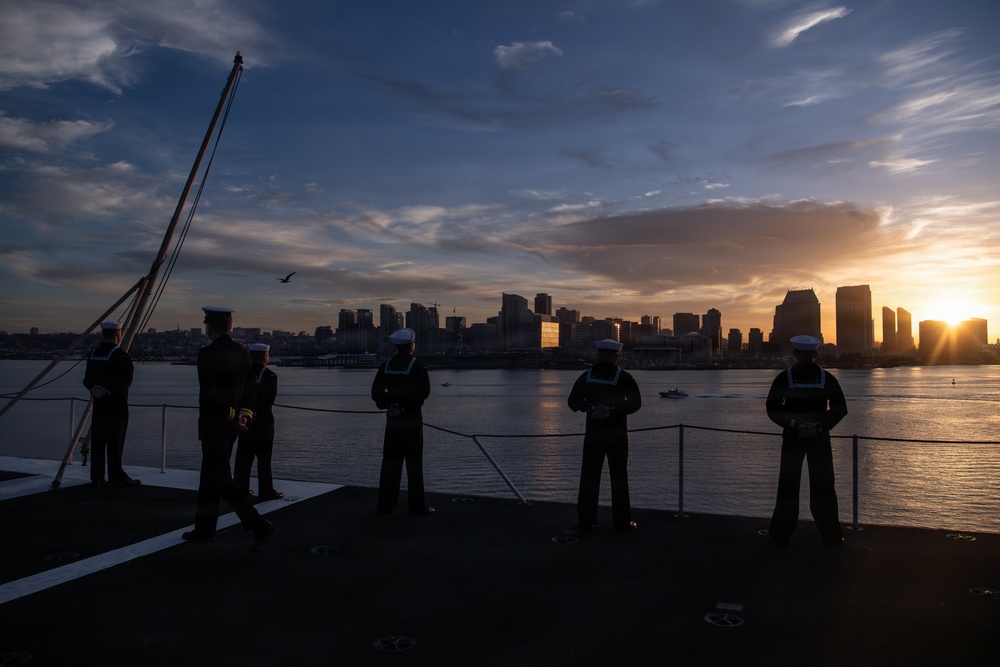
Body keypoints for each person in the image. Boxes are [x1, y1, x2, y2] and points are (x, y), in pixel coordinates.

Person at [182, 307, 274, 548]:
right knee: (209, 476)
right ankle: (204, 527)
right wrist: (244, 416)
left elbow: (209, 393)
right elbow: (250, 390)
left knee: (220, 478)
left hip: (215, 425)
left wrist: (230, 415)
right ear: (229, 326)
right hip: (234, 427)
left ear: (209, 326)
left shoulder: (207, 353)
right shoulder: (243, 353)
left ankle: (257, 524)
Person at [766, 335, 848, 548]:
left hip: (793, 438)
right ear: (815, 354)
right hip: (819, 439)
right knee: (824, 487)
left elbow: (773, 408)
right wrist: (819, 426)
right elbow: (840, 409)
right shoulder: (827, 379)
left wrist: (795, 424)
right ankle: (831, 535)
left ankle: (780, 533)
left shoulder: (784, 378)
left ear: (794, 354)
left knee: (788, 486)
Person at [567, 339, 642, 533]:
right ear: (617, 356)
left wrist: (590, 408)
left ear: (599, 355)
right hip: (617, 434)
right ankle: (622, 522)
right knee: (619, 477)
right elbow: (635, 404)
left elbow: (573, 402)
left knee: (589, 476)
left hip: (593, 434)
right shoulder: (624, 378)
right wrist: (612, 411)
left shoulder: (586, 376)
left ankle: (586, 520)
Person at [370, 328, 433, 517]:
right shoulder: (418, 366)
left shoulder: (386, 366)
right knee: (414, 466)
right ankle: (417, 508)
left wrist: (389, 404)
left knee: (390, 463)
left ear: (397, 346)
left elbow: (376, 393)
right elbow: (423, 393)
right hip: (411, 421)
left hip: (393, 422)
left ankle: (385, 505)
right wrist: (404, 406)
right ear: (412, 345)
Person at [82, 320, 140, 488]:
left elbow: (87, 379)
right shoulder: (120, 355)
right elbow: (126, 380)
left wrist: (94, 388)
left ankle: (97, 476)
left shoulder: (93, 353)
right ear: (117, 334)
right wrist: (109, 391)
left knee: (98, 441)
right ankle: (116, 475)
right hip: (116, 406)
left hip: (99, 406)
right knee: (115, 441)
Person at [234, 343, 283, 500]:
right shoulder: (270, 376)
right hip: (264, 423)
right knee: (264, 459)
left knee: (243, 459)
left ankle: (240, 489)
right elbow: (269, 400)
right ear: (265, 356)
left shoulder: (241, 374)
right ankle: (266, 491)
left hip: (245, 421)